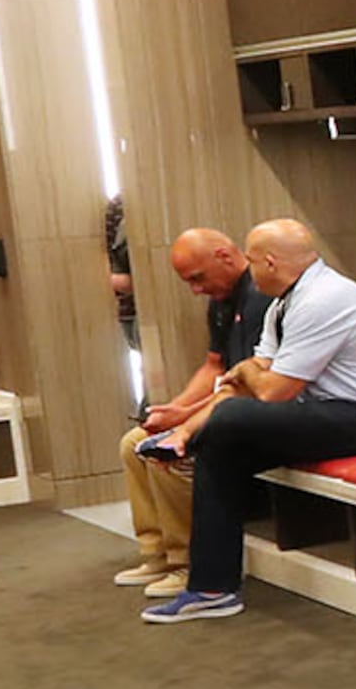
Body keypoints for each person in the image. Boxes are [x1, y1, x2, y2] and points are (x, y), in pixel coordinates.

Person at [140, 219, 356, 625]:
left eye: (251, 261)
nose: (248, 270)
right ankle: (212, 589)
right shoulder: (284, 304)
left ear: (269, 263)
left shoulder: (323, 300)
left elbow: (271, 391)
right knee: (221, 448)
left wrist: (247, 373)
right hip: (326, 413)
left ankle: (210, 580)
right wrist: (183, 431)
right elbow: (248, 381)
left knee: (231, 416)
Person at [113, 228, 270, 596]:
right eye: (189, 283)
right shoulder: (220, 301)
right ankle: (159, 552)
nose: (196, 290)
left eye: (198, 278)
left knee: (168, 452)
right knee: (134, 443)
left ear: (225, 257)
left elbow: (251, 383)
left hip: (258, 408)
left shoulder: (260, 298)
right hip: (230, 402)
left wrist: (184, 420)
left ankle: (190, 562)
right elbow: (215, 366)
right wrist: (177, 408)